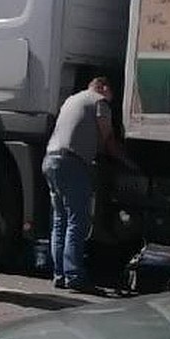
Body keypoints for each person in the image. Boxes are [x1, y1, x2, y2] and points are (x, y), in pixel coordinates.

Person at [42, 77, 115, 292]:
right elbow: (107, 137)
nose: (111, 98)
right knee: (77, 219)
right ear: (103, 87)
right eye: (111, 93)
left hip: (51, 160)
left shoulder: (71, 99)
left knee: (60, 219)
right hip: (72, 163)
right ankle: (74, 275)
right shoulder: (99, 101)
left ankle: (59, 274)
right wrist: (126, 160)